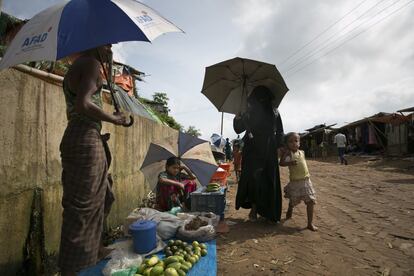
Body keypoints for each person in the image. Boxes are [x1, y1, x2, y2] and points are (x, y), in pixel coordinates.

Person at [59, 45, 128, 276]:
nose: (111, 49)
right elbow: (84, 104)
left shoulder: (87, 65)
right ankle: (73, 269)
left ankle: (96, 248)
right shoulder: (89, 63)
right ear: (95, 43)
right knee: (82, 208)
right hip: (84, 136)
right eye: (107, 45)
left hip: (88, 136)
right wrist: (114, 119)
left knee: (104, 196)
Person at [233, 85, 284, 222]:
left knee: (254, 179)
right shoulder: (274, 111)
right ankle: (268, 213)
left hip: (254, 148)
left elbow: (238, 129)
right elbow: (280, 132)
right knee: (267, 178)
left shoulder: (250, 111)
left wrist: (238, 117)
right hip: (268, 147)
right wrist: (279, 147)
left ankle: (254, 211)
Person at [280, 132, 317, 231]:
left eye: (296, 141)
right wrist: (289, 162)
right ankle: (290, 208)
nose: (293, 143)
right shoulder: (288, 154)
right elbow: (281, 163)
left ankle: (310, 223)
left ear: (299, 143)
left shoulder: (302, 152)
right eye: (290, 141)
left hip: (306, 181)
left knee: (310, 201)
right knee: (293, 200)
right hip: (295, 182)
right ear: (287, 144)